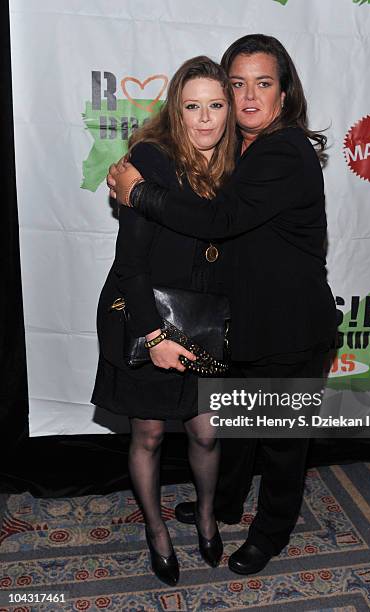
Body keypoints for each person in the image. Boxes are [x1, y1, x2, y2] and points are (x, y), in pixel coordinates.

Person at [108, 34, 337, 575]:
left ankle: (269, 534)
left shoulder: (283, 149)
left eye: (264, 84)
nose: (249, 97)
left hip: (293, 327)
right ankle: (226, 504)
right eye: (238, 85)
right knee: (233, 427)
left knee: (282, 445)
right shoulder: (238, 149)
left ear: (285, 93)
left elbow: (218, 222)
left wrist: (137, 193)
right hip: (242, 323)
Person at [91, 56, 237, 586]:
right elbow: (129, 268)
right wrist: (154, 337)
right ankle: (157, 531)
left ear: (229, 110)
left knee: (207, 432)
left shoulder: (237, 166)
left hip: (204, 321)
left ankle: (203, 517)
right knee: (149, 434)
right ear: (175, 109)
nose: (204, 119)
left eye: (215, 106)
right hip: (143, 314)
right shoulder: (150, 162)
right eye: (192, 106)